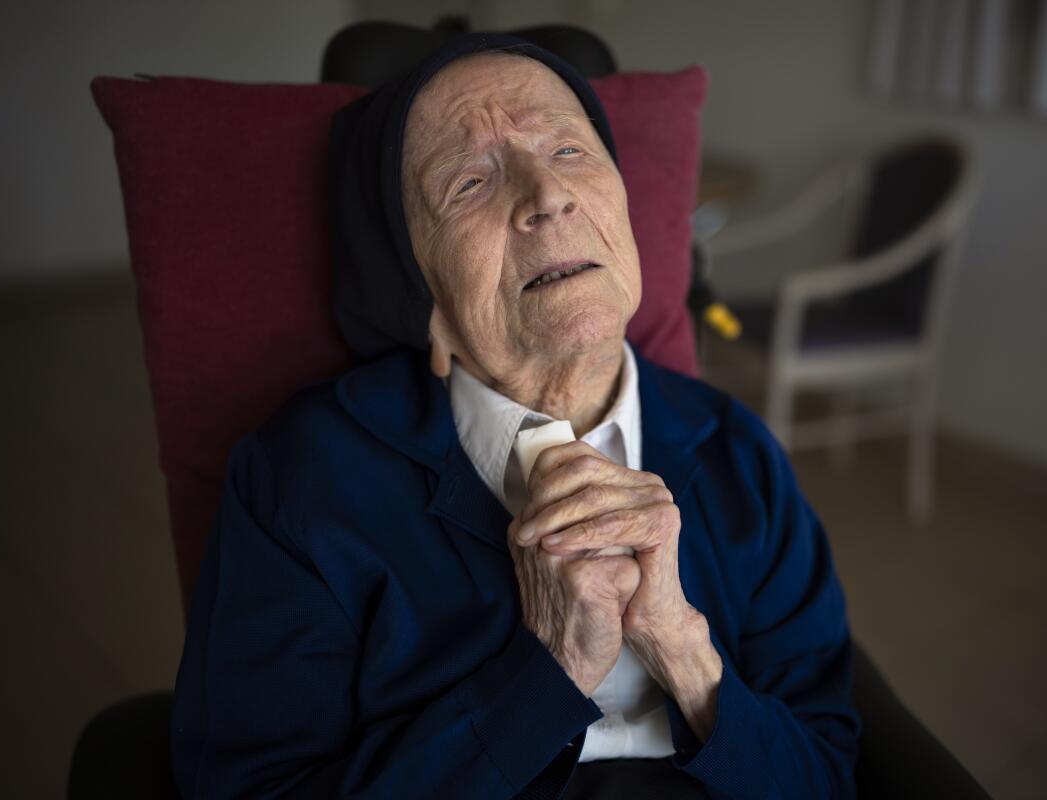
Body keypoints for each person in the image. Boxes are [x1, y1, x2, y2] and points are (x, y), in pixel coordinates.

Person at [171, 34, 858, 799]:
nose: (546, 197)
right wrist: (547, 673)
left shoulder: (738, 452)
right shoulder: (304, 482)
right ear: (413, 284)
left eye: (569, 151)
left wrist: (686, 653)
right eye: (469, 182)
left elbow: (826, 775)